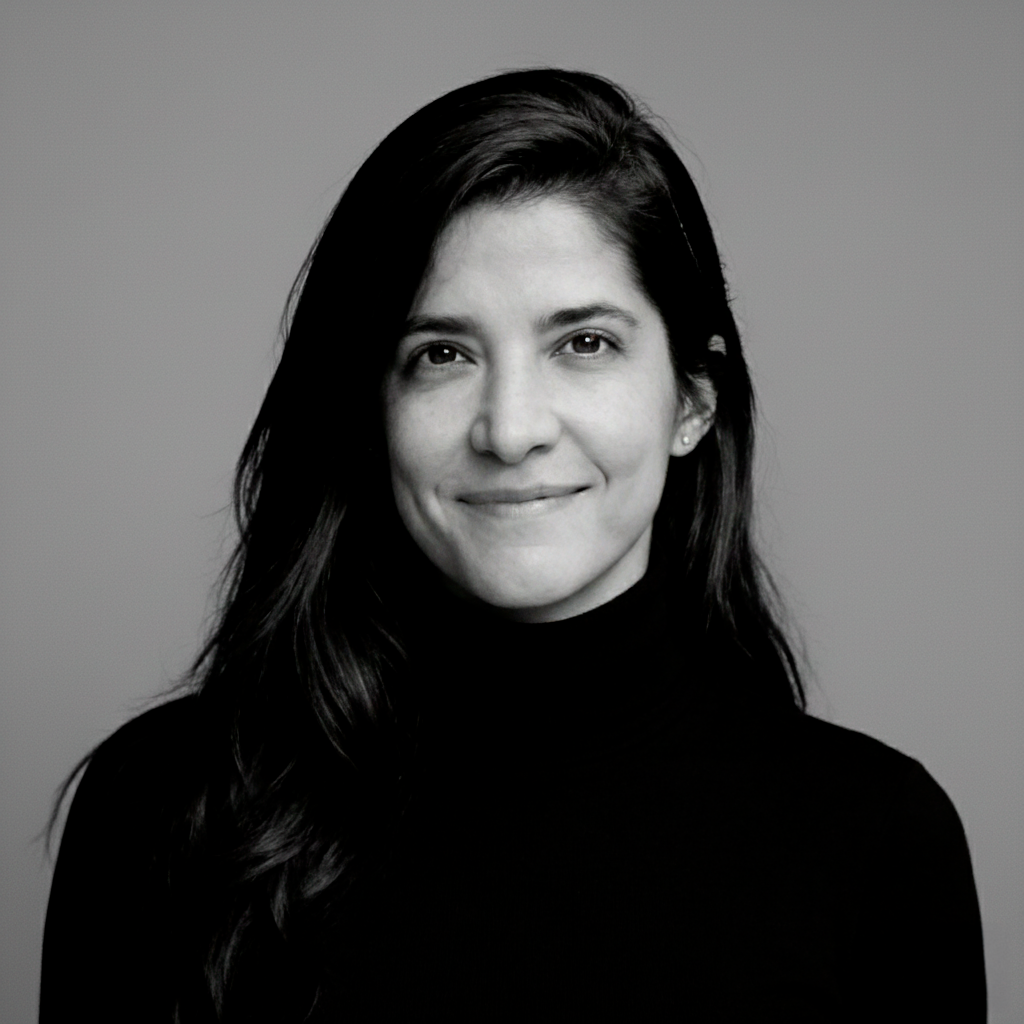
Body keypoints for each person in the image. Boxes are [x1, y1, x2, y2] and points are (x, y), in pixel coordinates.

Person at [40, 69, 986, 1022]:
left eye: (584, 344)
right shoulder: (165, 807)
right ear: (372, 412)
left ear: (692, 400)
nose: (510, 428)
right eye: (441, 355)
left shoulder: (877, 840)